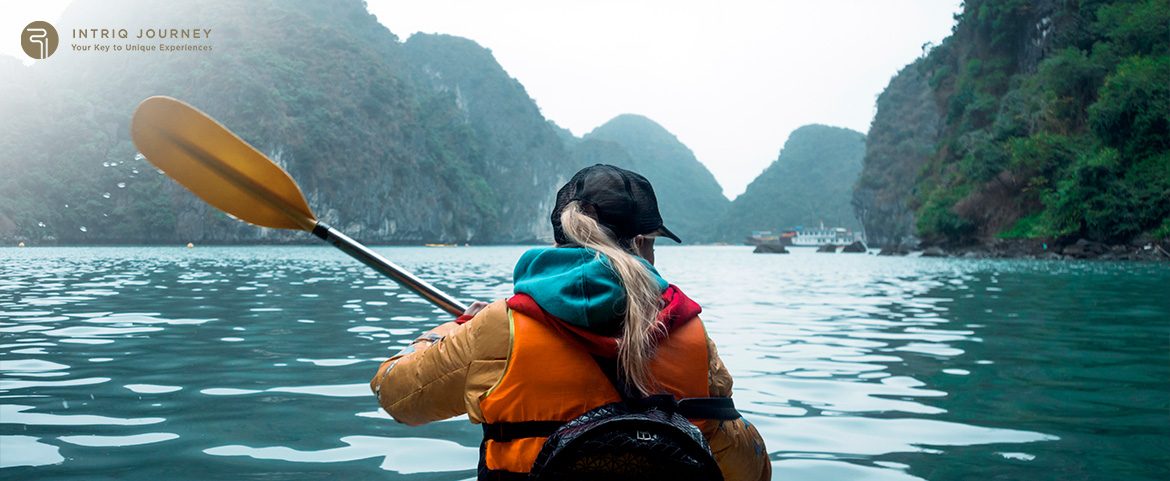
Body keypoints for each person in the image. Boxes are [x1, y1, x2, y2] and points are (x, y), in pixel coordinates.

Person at [371, 164, 771, 480]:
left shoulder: (500, 327)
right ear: (644, 242)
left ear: (562, 237)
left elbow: (396, 394)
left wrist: (457, 329)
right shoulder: (689, 331)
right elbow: (751, 472)